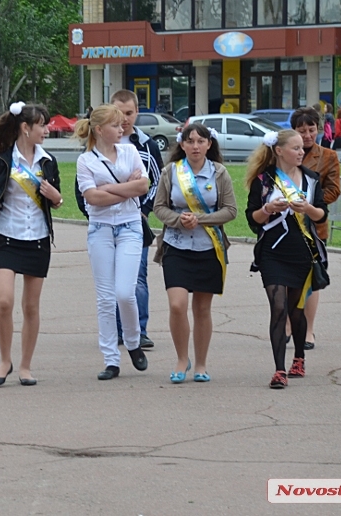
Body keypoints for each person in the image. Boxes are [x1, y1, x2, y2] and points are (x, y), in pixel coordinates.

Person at [0, 102, 62, 386]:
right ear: (26, 128)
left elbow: (58, 203)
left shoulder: (48, 162)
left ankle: (25, 366)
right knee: (4, 301)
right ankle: (4, 361)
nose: (47, 130)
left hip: (37, 240)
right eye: (42, 125)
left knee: (31, 307)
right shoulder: (2, 161)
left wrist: (54, 196)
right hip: (6, 238)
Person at [153, 123, 236, 384]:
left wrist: (200, 219)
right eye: (190, 141)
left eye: (201, 141)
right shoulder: (171, 172)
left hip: (209, 248)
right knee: (177, 305)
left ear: (209, 144)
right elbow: (159, 207)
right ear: (182, 144)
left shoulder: (219, 173)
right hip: (176, 247)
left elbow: (230, 210)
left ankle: (200, 363)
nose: (196, 146)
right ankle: (181, 358)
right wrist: (180, 220)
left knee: (202, 309)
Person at [246, 129, 328, 389]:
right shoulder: (264, 180)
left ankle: (299, 358)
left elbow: (322, 215)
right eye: (295, 148)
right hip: (272, 252)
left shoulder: (312, 180)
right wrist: (268, 209)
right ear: (279, 151)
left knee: (296, 310)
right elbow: (252, 220)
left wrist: (308, 209)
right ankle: (279, 370)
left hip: (302, 251)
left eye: (302, 148)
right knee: (278, 307)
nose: (301, 152)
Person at [74, 104, 150, 380]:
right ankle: (111, 359)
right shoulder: (86, 161)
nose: (122, 129)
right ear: (99, 130)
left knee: (125, 293)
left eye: (122, 124)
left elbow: (143, 186)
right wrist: (124, 190)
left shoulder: (130, 152)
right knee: (106, 298)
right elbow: (92, 198)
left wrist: (108, 189)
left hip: (130, 226)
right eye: (116, 125)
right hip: (101, 230)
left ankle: (133, 341)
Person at [110, 89, 164, 349]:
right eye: (118, 114)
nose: (124, 119)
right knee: (111, 278)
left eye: (129, 113)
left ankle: (139, 329)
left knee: (137, 276)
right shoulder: (101, 144)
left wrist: (145, 208)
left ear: (137, 112)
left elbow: (157, 180)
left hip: (136, 219)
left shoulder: (147, 145)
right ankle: (117, 330)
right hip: (106, 221)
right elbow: (85, 184)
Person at [289, 107, 341, 350]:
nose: (307, 135)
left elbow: (334, 189)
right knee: (286, 278)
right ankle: (289, 323)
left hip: (313, 226)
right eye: (302, 131)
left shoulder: (328, 156)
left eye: (311, 130)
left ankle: (308, 330)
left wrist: (312, 202)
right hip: (285, 226)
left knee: (311, 278)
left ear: (318, 130)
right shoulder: (281, 152)